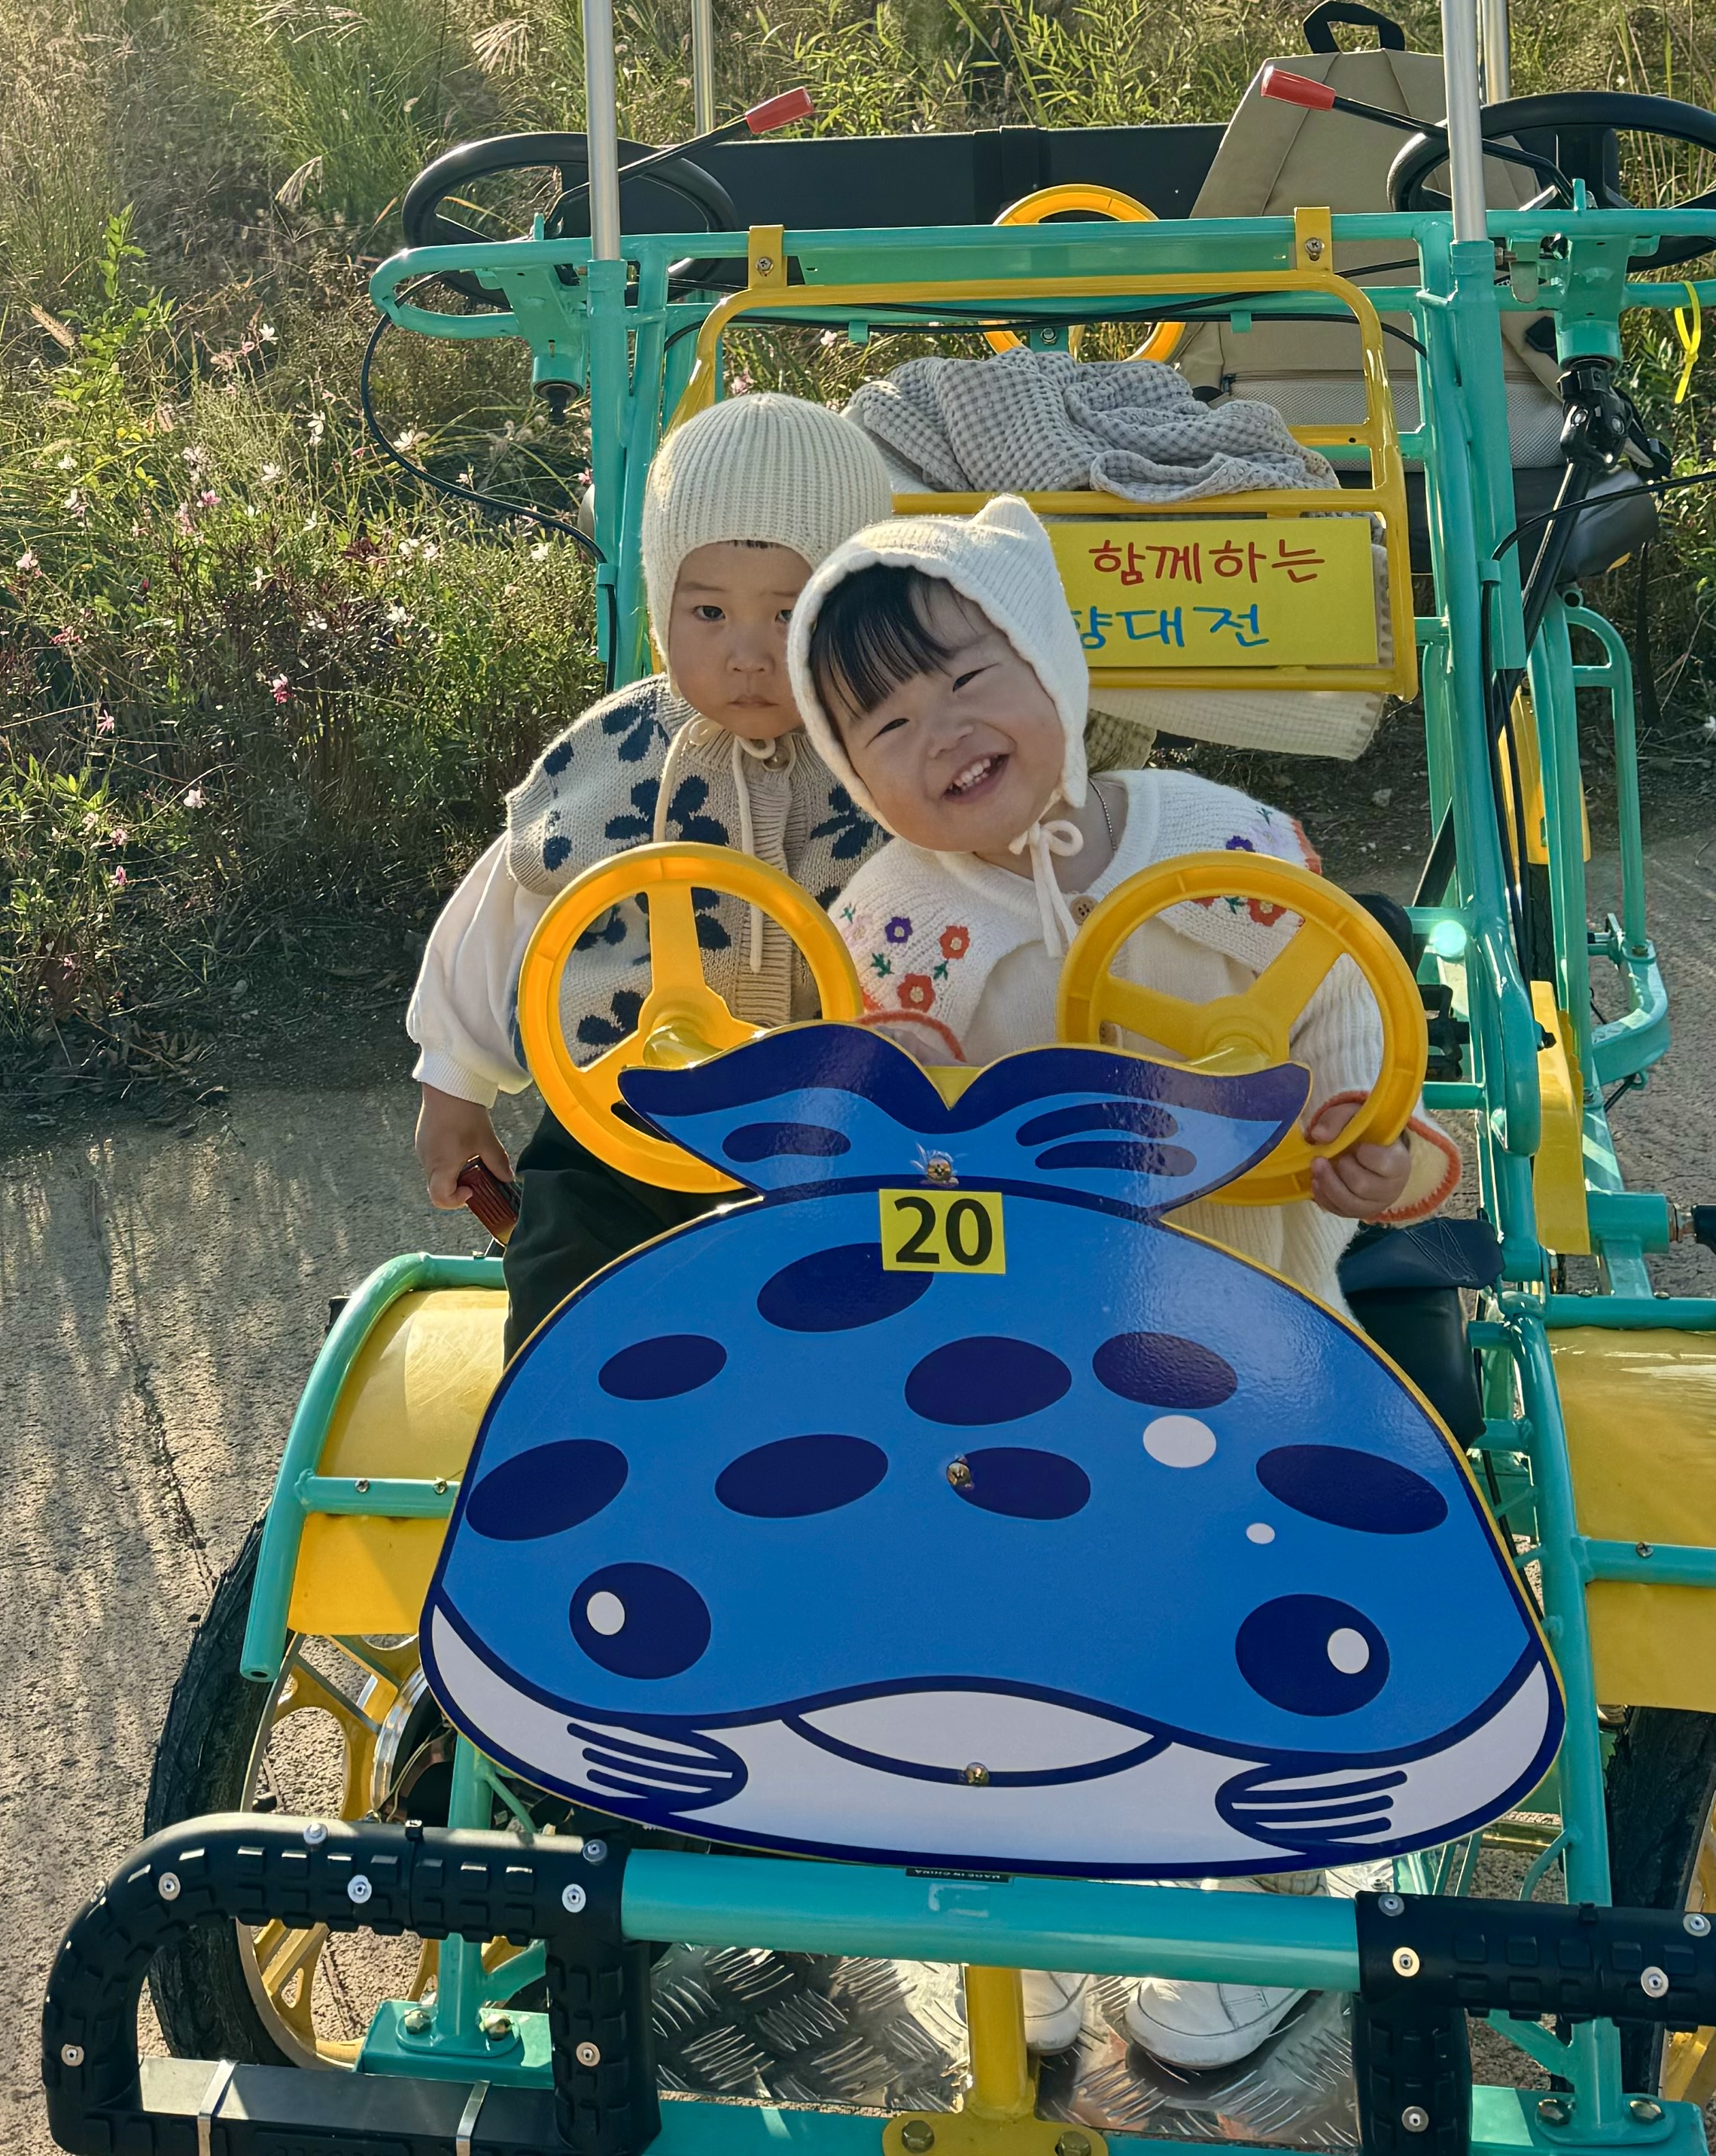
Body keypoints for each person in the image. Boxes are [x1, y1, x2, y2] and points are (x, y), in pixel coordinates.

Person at [788, 492, 1459, 2084]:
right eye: (881, 719)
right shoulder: (880, 926)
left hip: (1251, 1310)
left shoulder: (1220, 843)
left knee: (1249, 1578)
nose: (939, 729)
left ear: (1053, 656)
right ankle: (1009, 1903)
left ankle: (1248, 1883)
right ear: (848, 768)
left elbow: (1362, 1055)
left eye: (967, 672)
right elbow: (859, 1161)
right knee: (976, 1599)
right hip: (1003, 1335)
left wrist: (1375, 1153)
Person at [405, 391, 897, 1348]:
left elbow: (966, 912)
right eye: (707, 610)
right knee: (565, 1282)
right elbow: (508, 904)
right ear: (660, 597)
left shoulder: (887, 756)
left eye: (791, 613)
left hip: (839, 1140)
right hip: (621, 1128)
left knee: (869, 1306)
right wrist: (454, 1084)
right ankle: (567, 1466)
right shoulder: (616, 752)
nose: (748, 654)